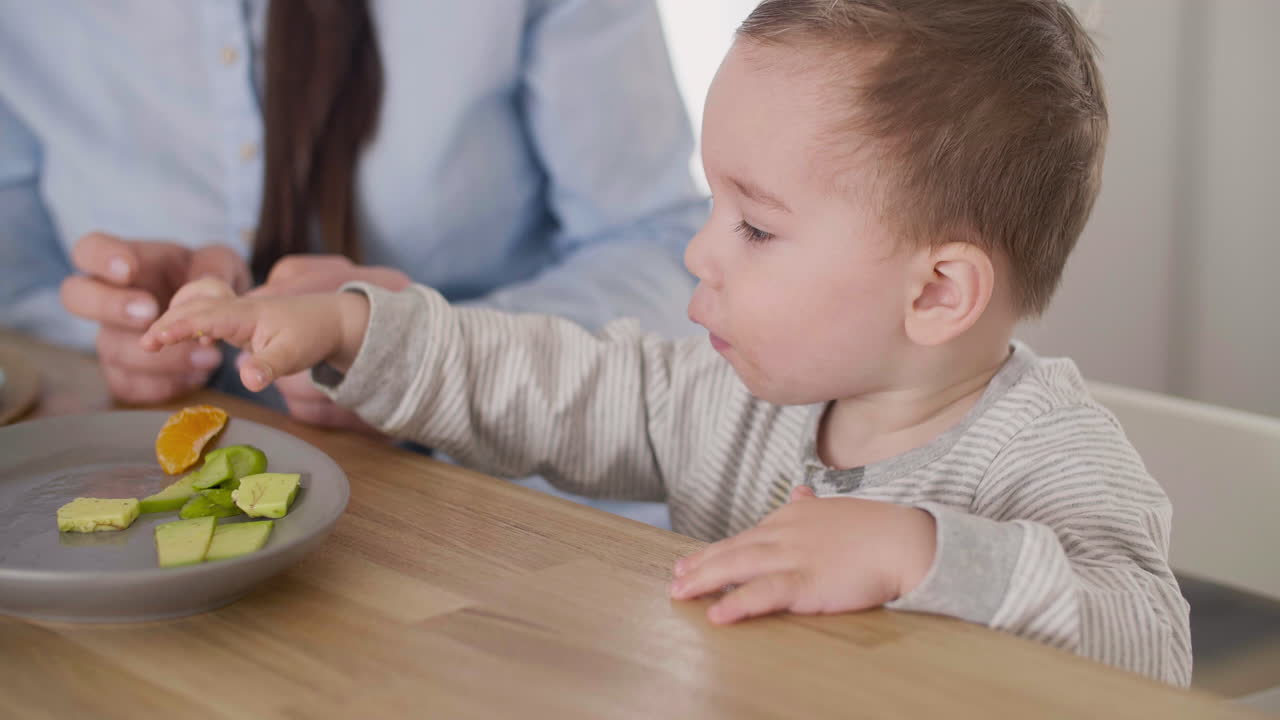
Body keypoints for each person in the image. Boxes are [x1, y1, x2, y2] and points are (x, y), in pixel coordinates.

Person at [139, 0, 1191, 686]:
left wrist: (916, 552)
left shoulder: (1047, 454)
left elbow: (1150, 639)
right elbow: (540, 383)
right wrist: (355, 326)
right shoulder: (721, 397)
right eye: (713, 208)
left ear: (936, 294)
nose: (697, 254)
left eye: (755, 226)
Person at [0, 1, 704, 526]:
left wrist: (420, 356)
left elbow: (661, 246)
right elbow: (16, 282)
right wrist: (119, 332)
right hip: (143, 497)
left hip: (496, 519)